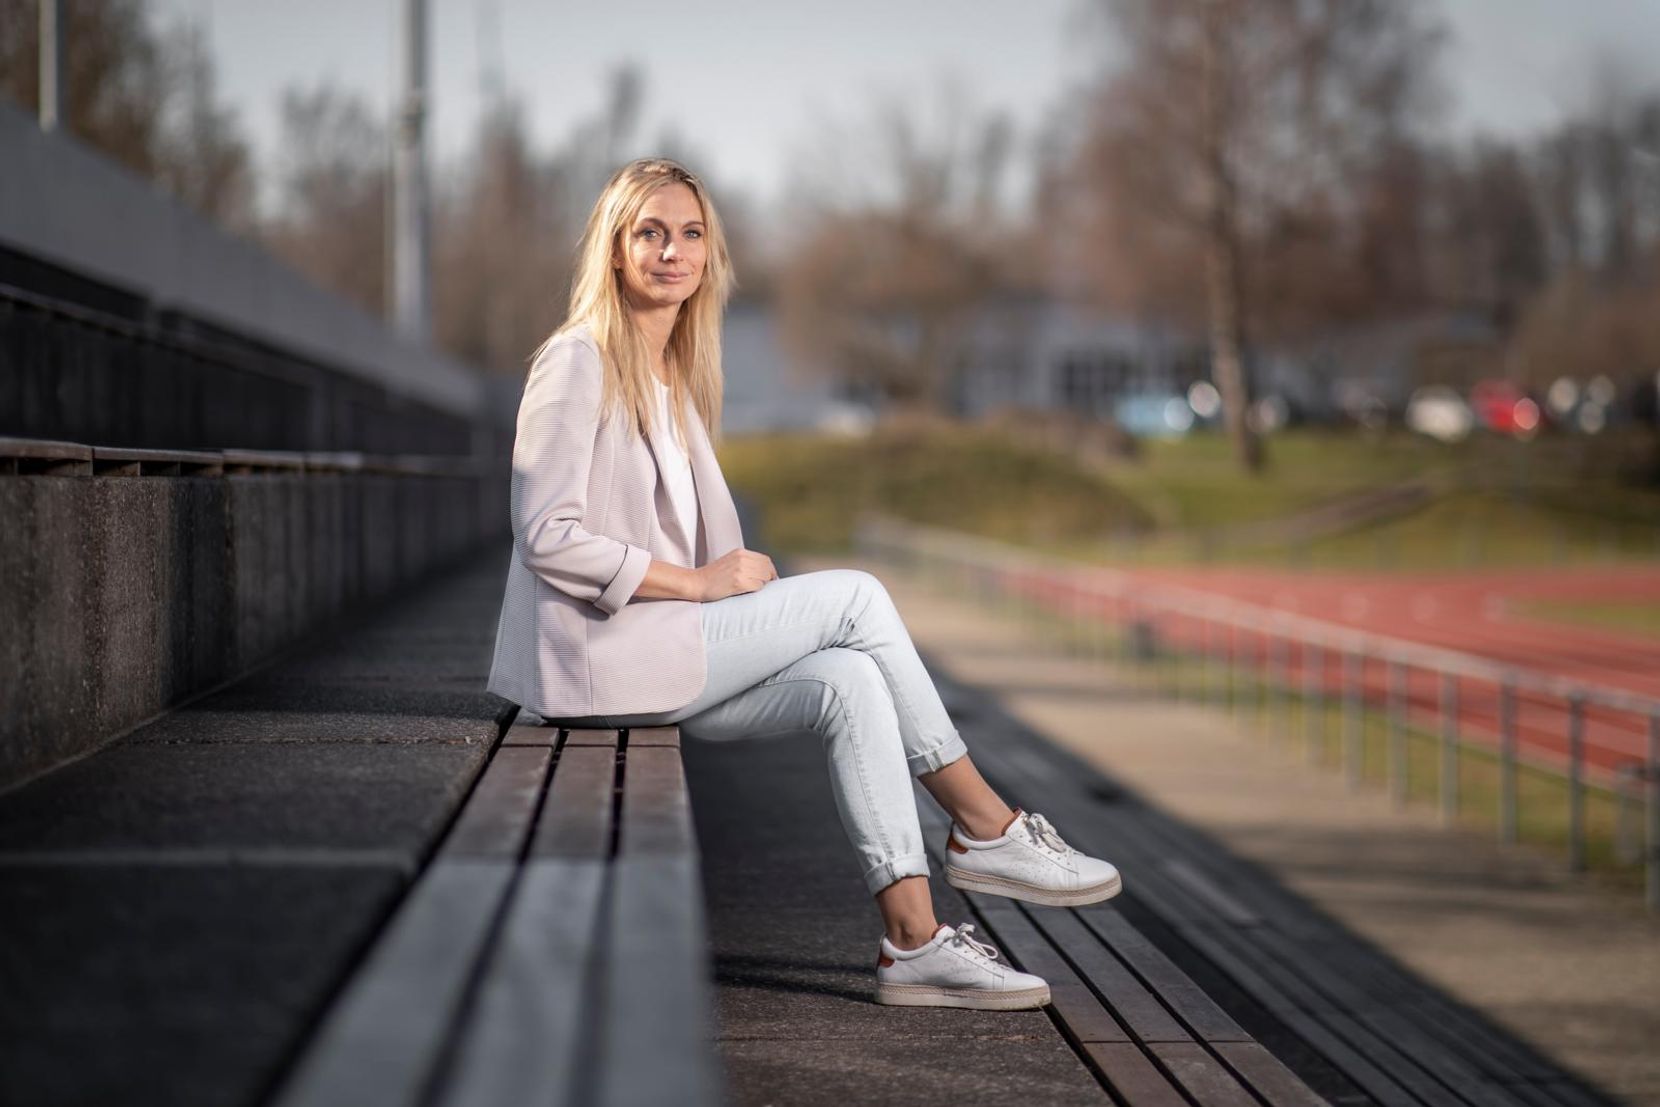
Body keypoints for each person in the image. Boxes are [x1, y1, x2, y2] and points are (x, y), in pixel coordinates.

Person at [486, 157, 1124, 1011]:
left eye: (690, 234)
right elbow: (546, 535)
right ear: (612, 248)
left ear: (709, 255)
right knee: (858, 597)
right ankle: (986, 826)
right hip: (601, 657)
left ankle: (915, 941)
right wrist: (703, 583)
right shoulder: (578, 361)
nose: (671, 251)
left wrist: (721, 590)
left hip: (658, 653)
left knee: (850, 680)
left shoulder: (671, 375)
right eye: (649, 232)